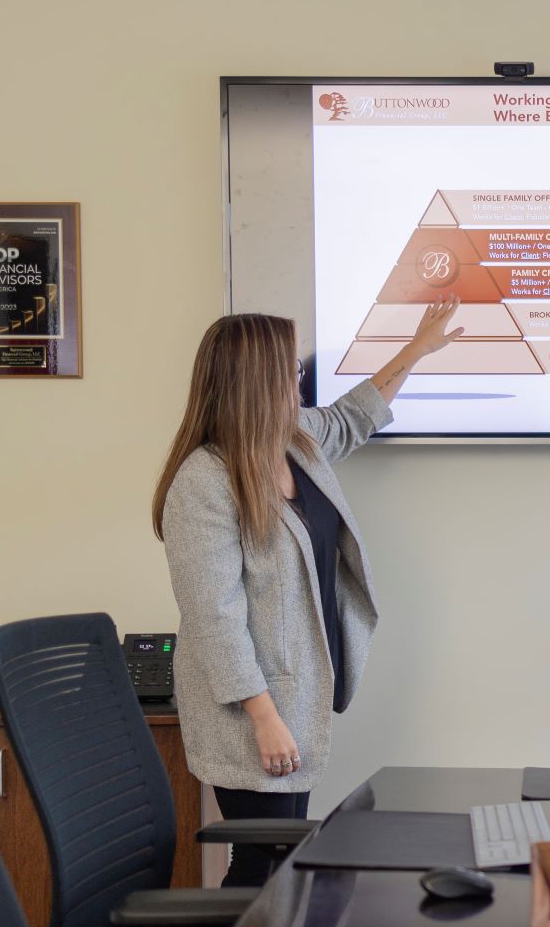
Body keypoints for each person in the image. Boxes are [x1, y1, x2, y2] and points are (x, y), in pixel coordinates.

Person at [153, 301, 461, 885]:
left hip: (297, 695)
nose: (300, 382)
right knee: (261, 858)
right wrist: (263, 717)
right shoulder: (205, 481)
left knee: (280, 855)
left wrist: (418, 349)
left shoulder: (293, 444)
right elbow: (214, 616)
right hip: (251, 708)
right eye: (291, 372)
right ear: (258, 383)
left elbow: (353, 416)